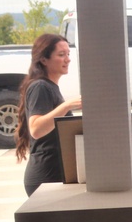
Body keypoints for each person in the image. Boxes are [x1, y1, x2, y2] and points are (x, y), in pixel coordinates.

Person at [15, 34, 82, 197]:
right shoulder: (40, 87)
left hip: (53, 176)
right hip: (46, 178)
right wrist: (67, 105)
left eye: (68, 54)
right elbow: (36, 128)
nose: (67, 59)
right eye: (61, 55)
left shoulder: (49, 87)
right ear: (44, 59)